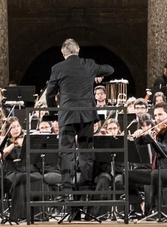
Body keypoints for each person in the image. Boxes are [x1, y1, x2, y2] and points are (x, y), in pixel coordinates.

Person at [38, 38, 115, 189]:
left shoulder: (57, 68)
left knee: (66, 152)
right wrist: (96, 74)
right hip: (87, 115)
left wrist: (53, 112)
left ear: (63, 52)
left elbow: (50, 94)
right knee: (86, 150)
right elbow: (110, 69)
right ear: (78, 50)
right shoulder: (89, 64)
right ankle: (86, 185)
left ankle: (67, 187)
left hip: (67, 115)